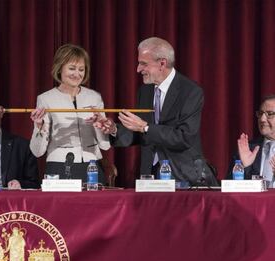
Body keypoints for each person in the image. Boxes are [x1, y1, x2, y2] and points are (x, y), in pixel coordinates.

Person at [94, 37, 217, 186]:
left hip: (183, 175)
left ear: (162, 63)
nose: (138, 69)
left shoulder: (190, 91)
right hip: (150, 174)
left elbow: (184, 137)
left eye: (143, 64)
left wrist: (145, 127)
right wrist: (113, 129)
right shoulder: (145, 91)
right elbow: (140, 134)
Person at [29, 44, 110, 183]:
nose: (77, 74)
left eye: (81, 69)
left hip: (91, 165)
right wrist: (39, 126)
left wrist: (101, 125)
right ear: (59, 69)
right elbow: (37, 151)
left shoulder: (94, 97)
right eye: (72, 68)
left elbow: (105, 145)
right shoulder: (45, 99)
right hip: (58, 165)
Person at [227, 95, 275, 184]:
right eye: (260, 114)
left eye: (270, 114)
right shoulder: (248, 148)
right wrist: (244, 167)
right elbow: (229, 187)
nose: (262, 119)